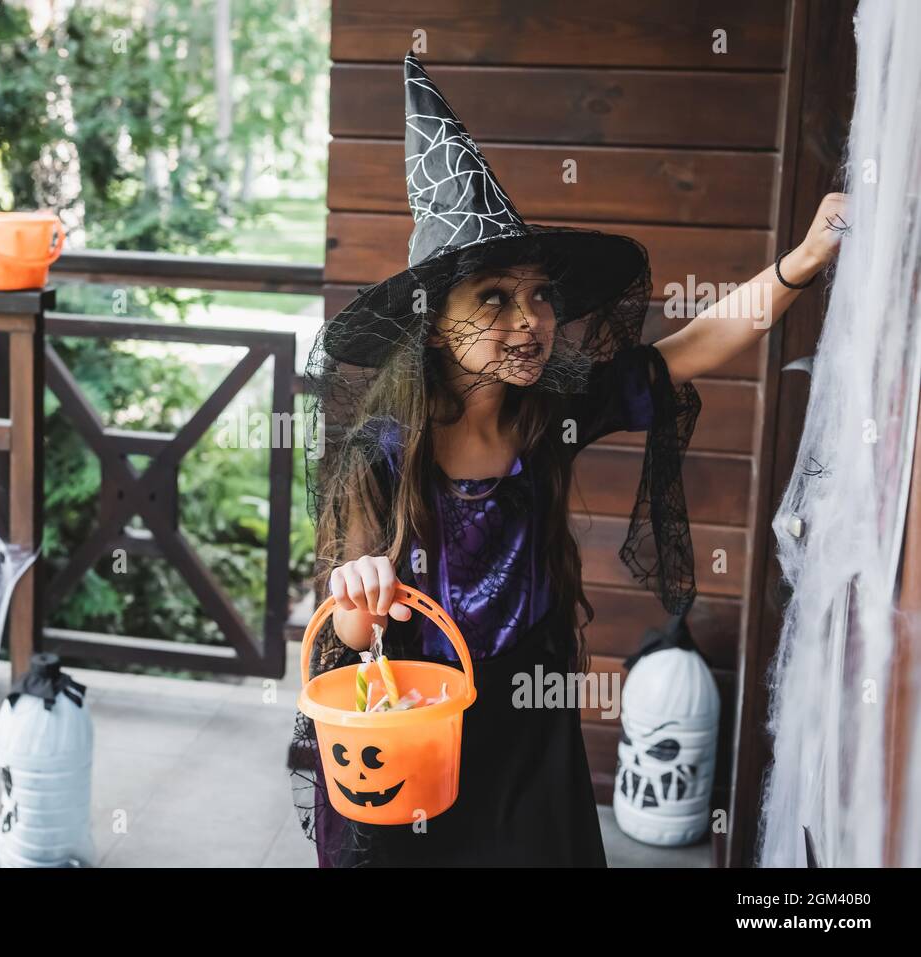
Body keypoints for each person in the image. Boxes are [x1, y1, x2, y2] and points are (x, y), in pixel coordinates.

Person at [288, 52, 845, 867]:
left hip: (528, 720)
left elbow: (693, 345)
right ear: (436, 323)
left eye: (540, 293)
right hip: (416, 724)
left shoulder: (550, 411)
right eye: (495, 298)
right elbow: (352, 628)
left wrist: (804, 258)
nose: (532, 318)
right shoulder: (383, 453)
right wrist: (359, 587)